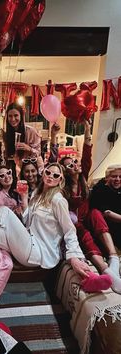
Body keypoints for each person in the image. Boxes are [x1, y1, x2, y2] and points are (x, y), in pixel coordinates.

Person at [0, 163, 111, 284]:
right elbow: (28, 222)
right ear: (43, 173)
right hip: (29, 243)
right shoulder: (36, 195)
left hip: (40, 252)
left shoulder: (58, 200)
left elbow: (69, 230)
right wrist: (24, 197)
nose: (51, 176)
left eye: (56, 175)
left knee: (3, 211)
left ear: (60, 180)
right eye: (48, 172)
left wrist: (74, 257)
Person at [59, 121, 121, 293]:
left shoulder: (83, 178)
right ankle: (105, 270)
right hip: (75, 223)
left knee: (95, 213)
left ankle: (113, 258)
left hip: (87, 217)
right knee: (84, 234)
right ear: (64, 171)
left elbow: (87, 156)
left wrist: (87, 130)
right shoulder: (62, 186)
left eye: (75, 162)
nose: (75, 165)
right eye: (69, 165)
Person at [2, 102, 44, 175]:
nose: (13, 119)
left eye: (16, 115)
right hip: (16, 169)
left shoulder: (31, 131)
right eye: (10, 116)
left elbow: (39, 153)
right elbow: (4, 155)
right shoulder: (6, 133)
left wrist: (29, 149)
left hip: (32, 169)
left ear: (21, 116)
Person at [90, 164, 121, 250]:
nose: (118, 179)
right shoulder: (100, 189)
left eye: (120, 176)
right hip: (108, 227)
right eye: (114, 176)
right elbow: (107, 213)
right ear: (107, 177)